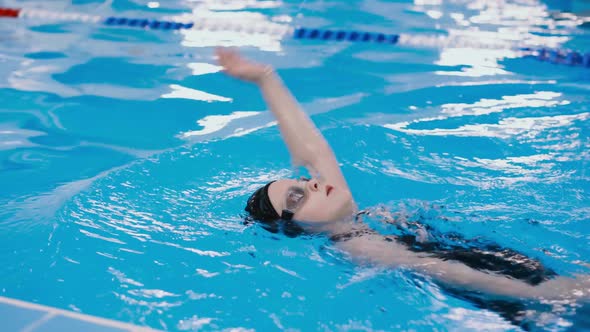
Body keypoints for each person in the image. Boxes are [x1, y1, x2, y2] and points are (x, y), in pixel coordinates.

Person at [215, 48, 589, 309]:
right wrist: (558, 292)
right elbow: (449, 272)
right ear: (298, 228)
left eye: (303, 182)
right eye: (297, 198)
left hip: (502, 265)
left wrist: (265, 78)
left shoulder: (346, 213)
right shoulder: (357, 245)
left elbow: (312, 150)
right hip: (518, 295)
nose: (312, 183)